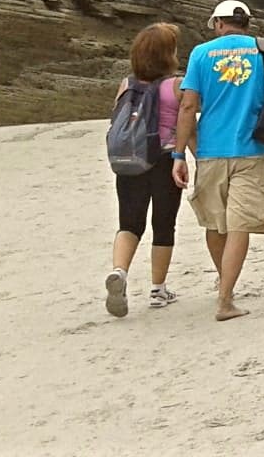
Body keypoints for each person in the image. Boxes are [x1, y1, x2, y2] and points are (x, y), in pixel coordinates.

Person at [173, 0, 264, 320]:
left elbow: (188, 106)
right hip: (252, 149)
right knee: (240, 225)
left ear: (219, 24)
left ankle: (225, 286)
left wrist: (179, 154)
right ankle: (225, 299)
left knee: (215, 223)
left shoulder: (200, 53)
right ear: (246, 23)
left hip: (210, 151)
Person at [104, 22, 184, 317]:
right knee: (163, 224)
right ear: (167, 54)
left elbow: (117, 119)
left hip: (129, 160)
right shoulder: (176, 86)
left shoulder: (126, 84)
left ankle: (120, 272)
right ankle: (158, 290)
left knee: (129, 223)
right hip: (164, 160)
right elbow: (186, 124)